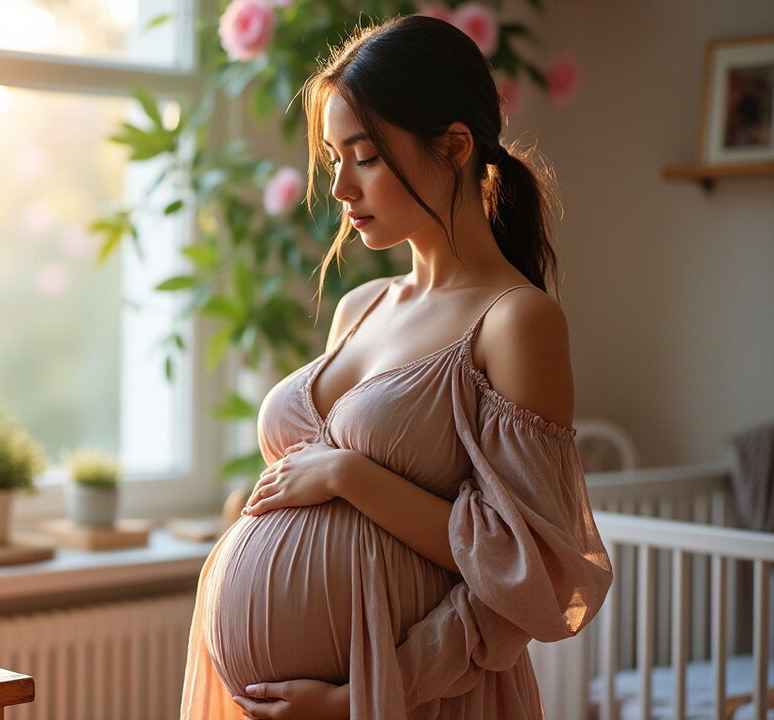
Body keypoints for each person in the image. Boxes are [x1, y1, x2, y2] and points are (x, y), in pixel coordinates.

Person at [181, 15, 612, 720]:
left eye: (367, 157)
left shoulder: (515, 322)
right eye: (333, 157)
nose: (341, 188)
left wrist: (359, 697)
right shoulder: (361, 306)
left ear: (454, 147)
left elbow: (522, 576)